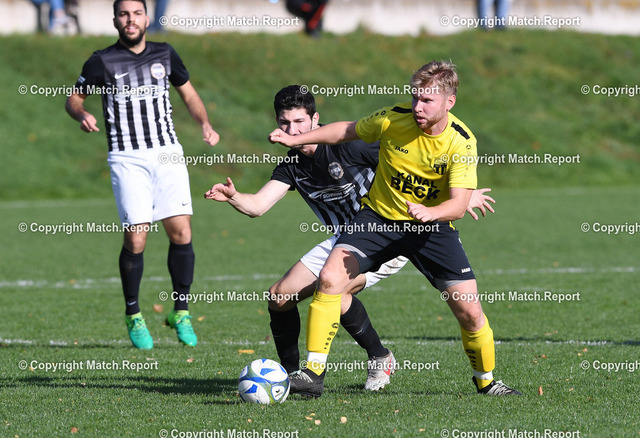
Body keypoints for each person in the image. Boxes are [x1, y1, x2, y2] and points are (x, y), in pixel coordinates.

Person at [207, 85, 496, 394]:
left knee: (336, 289)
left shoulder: (351, 147)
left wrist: (461, 195)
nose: (292, 131)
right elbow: (257, 206)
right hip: (345, 239)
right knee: (279, 296)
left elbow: (414, 163)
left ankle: (379, 357)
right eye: (285, 123)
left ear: (315, 119)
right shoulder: (292, 166)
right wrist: (234, 197)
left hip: (385, 232)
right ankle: (291, 377)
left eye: (300, 122)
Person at [269, 62, 521, 397]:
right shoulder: (393, 117)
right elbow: (346, 131)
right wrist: (296, 138)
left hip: (431, 229)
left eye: (427, 101)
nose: (417, 107)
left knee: (470, 311)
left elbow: (459, 206)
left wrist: (431, 212)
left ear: (449, 102)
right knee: (330, 278)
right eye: (415, 97)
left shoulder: (461, 142)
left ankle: (486, 382)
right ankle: (312, 374)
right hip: (377, 220)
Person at [65, 0, 219, 350]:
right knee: (136, 238)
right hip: (127, 157)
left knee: (181, 232)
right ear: (115, 20)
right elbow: (73, 99)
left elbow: (189, 93)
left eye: (136, 13)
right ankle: (133, 314)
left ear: (147, 19)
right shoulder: (101, 60)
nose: (130, 19)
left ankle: (181, 312)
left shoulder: (165, 53)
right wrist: (82, 114)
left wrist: (205, 124)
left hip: (167, 152)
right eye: (124, 14)